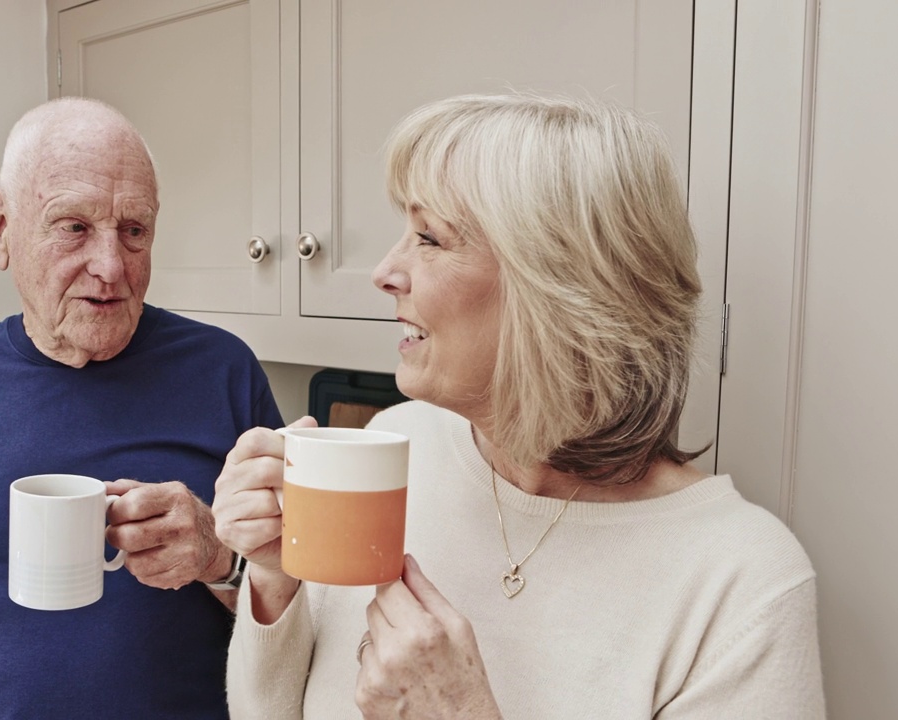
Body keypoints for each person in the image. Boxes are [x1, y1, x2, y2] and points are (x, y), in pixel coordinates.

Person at [213, 94, 825, 719]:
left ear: (559, 287)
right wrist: (273, 582)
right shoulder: (395, 445)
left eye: (429, 237)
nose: (385, 271)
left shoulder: (744, 584)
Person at [0, 97, 284, 719]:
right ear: (1, 226)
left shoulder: (224, 372)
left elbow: (301, 606)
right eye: (74, 227)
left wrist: (217, 559)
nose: (112, 267)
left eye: (134, 231)